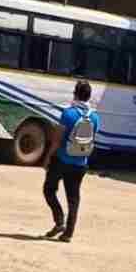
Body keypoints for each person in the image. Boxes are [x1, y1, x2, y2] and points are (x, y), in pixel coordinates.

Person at [43, 80, 100, 242]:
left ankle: (59, 221)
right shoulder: (95, 116)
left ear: (75, 93)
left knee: (49, 189)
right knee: (73, 198)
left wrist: (47, 157)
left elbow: (57, 140)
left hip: (62, 160)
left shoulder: (68, 113)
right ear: (89, 96)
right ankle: (68, 233)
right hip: (81, 163)